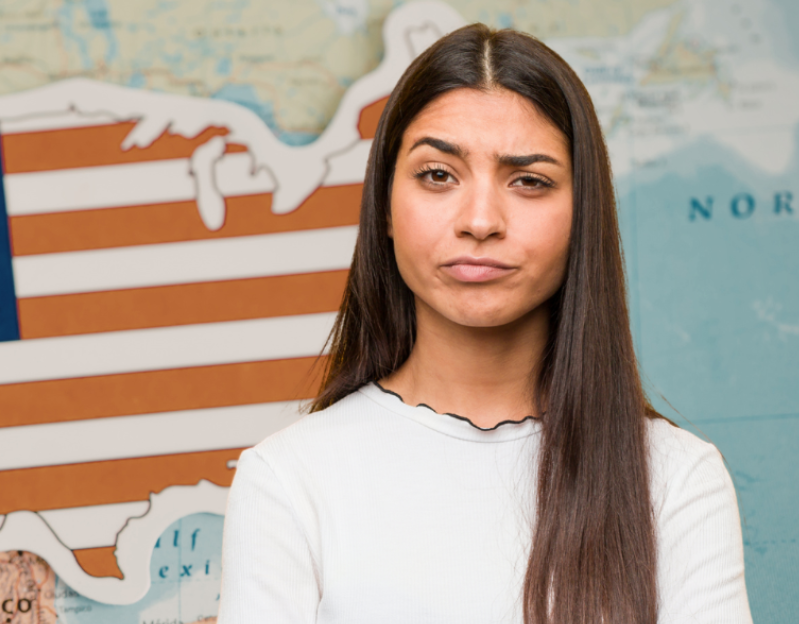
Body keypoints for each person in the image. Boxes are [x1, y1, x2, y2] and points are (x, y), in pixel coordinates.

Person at [217, 23, 752, 624]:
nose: (479, 221)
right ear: (385, 206)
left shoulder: (677, 480)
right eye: (437, 175)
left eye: (529, 181)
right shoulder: (289, 481)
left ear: (582, 213)